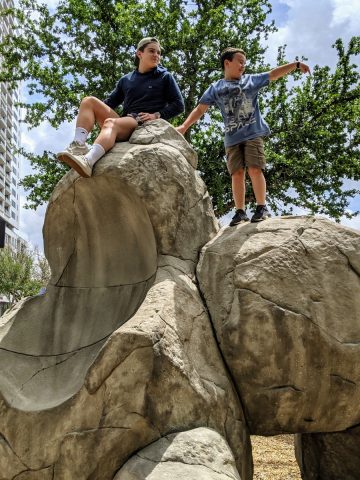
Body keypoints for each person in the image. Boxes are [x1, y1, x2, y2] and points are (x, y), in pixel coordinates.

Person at [176, 48, 310, 225]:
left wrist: (296, 65)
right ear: (227, 63)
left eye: (244, 63)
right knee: (236, 173)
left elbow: (273, 74)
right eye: (240, 62)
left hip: (252, 134)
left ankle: (261, 207)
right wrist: (185, 126)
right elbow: (200, 109)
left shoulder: (250, 81)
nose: (243, 66)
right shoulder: (216, 88)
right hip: (232, 138)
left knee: (255, 168)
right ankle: (240, 212)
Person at [57, 37, 184, 178]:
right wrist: (91, 113)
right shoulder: (126, 79)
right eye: (152, 51)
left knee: (111, 123)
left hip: (141, 122)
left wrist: (156, 115)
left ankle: (88, 161)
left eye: (159, 53)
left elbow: (179, 105)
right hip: (126, 121)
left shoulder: (164, 77)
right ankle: (78, 145)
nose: (156, 55)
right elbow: (109, 103)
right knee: (88, 101)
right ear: (139, 53)